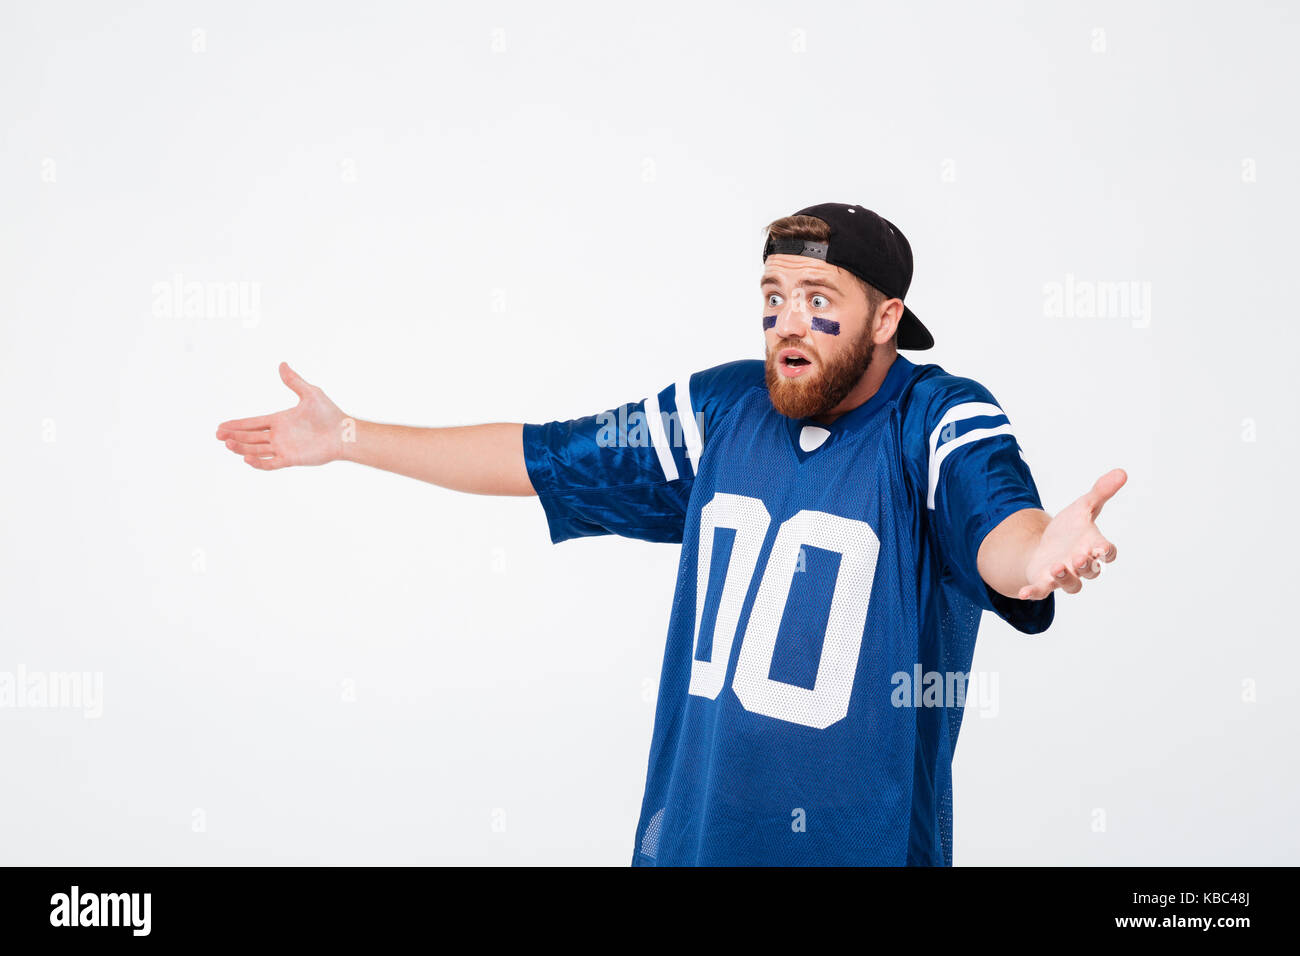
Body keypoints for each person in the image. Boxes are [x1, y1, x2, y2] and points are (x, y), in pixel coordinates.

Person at [216, 202, 1125, 866]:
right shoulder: (722, 406)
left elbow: (998, 527)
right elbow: (542, 455)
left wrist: (1037, 553)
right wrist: (348, 438)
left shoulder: (934, 416)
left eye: (818, 296)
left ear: (887, 317)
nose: (787, 322)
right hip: (693, 843)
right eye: (772, 295)